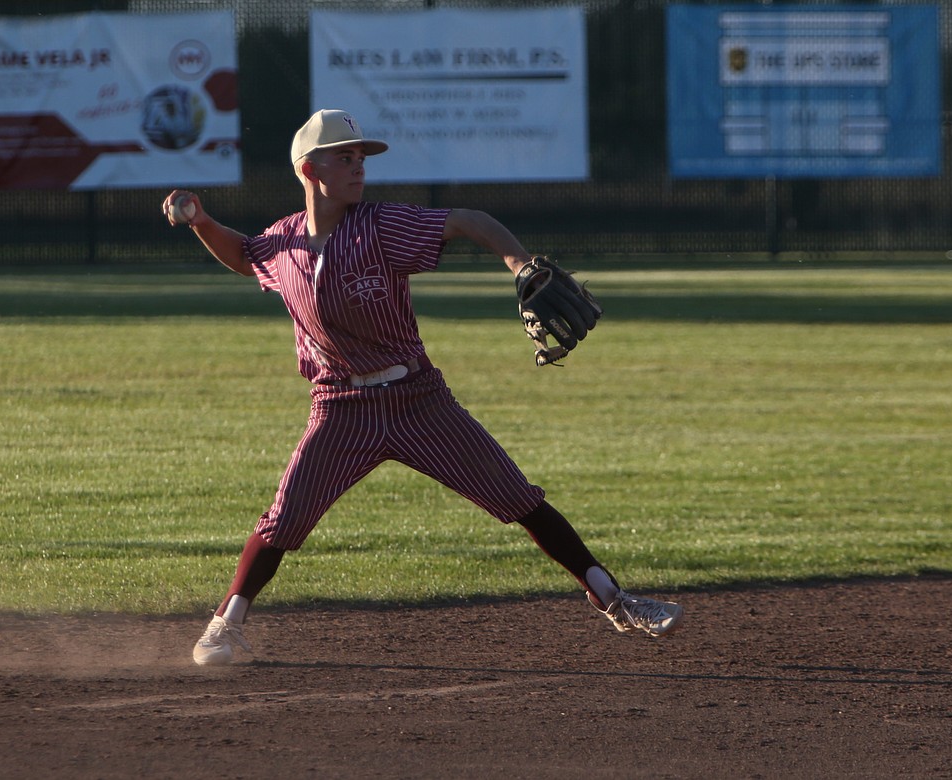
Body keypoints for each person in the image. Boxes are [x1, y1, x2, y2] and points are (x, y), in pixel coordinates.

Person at [162, 109, 682, 666]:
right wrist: (199, 220)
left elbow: (468, 220)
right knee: (285, 519)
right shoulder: (284, 242)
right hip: (341, 408)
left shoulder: (381, 227)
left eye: (361, 157)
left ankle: (615, 599)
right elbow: (245, 256)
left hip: (419, 402)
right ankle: (226, 624)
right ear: (310, 169)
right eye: (345, 157)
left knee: (518, 499)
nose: (358, 166)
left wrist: (520, 264)